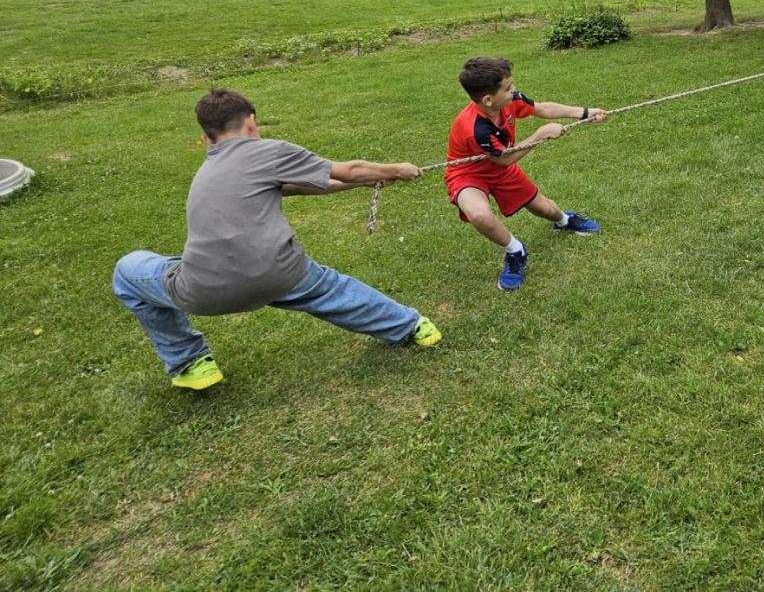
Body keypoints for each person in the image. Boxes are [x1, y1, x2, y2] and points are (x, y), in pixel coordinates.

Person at [113, 89, 441, 391]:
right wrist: (397, 169)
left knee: (128, 271)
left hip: (204, 290)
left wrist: (366, 182)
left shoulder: (212, 168)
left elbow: (297, 185)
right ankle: (410, 326)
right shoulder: (268, 151)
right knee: (331, 290)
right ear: (251, 121)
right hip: (280, 274)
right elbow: (349, 169)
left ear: (206, 139)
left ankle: (191, 363)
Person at [445, 57, 607, 291]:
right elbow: (504, 159)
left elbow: (541, 108)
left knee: (545, 209)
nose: (514, 90)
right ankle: (516, 251)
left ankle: (564, 221)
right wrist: (540, 135)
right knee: (479, 215)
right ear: (488, 100)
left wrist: (584, 113)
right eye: (508, 88)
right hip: (468, 174)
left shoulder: (510, 101)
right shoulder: (474, 128)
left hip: (500, 169)